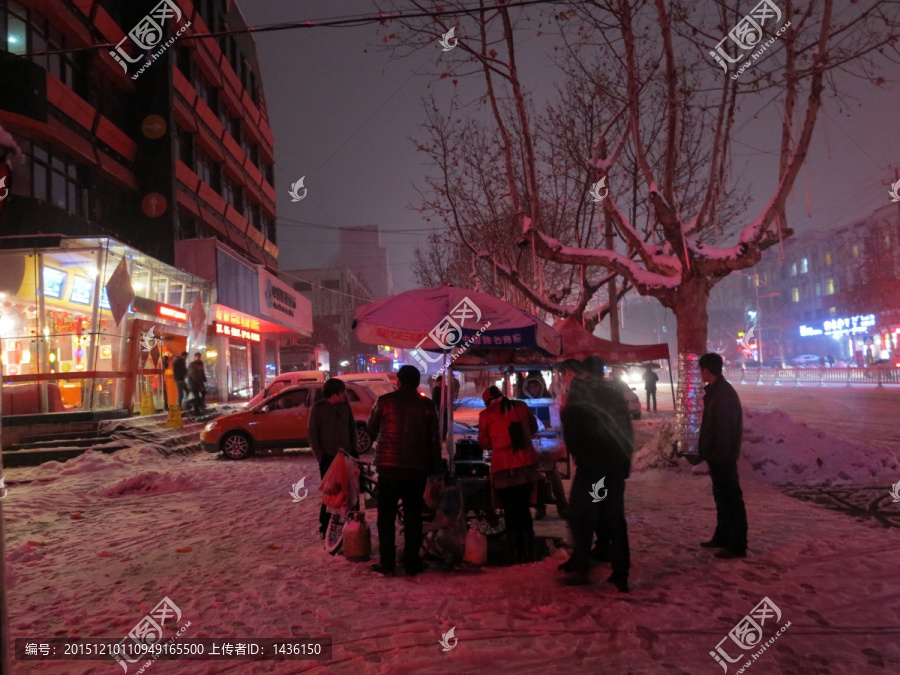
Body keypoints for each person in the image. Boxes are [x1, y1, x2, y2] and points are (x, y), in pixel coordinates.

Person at [558, 356, 633, 591]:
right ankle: (620, 572)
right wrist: (624, 464)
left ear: (582, 373)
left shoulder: (581, 394)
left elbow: (572, 431)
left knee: (581, 513)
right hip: (613, 467)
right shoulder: (614, 394)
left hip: (594, 469)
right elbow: (626, 431)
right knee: (613, 517)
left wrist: (581, 455)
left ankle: (581, 564)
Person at [368, 365, 441, 576]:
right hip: (416, 470)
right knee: (413, 518)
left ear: (399, 381)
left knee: (386, 518)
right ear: (417, 382)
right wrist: (436, 470)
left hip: (388, 469)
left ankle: (387, 564)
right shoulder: (427, 405)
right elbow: (434, 440)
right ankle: (412, 563)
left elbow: (371, 429)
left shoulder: (384, 402)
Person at [478, 385, 540, 564]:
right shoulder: (520, 406)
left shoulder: (486, 415)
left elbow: (484, 443)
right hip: (527, 465)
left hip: (503, 468)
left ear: (487, 401)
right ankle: (528, 552)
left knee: (511, 510)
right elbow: (533, 427)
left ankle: (514, 553)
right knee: (523, 508)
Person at [697, 352, 748, 559]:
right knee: (723, 499)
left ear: (707, 371)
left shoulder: (724, 394)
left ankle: (737, 545)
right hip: (718, 457)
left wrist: (719, 456)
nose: (700, 374)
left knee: (731, 500)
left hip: (723, 458)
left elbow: (726, 431)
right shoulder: (717, 391)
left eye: (701, 370)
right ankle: (723, 536)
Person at [308, 378, 359, 538]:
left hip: (347, 456)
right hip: (328, 458)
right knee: (331, 493)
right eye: (342, 391)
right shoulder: (318, 409)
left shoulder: (345, 407)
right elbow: (312, 435)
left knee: (351, 490)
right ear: (335, 393)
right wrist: (321, 456)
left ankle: (353, 522)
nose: (345, 394)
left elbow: (352, 429)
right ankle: (326, 525)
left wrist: (354, 450)